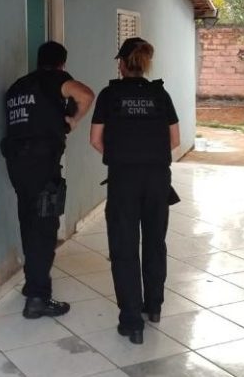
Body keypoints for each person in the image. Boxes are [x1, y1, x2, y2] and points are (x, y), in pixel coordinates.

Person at [90, 37, 180, 344]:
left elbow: (95, 139)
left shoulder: (109, 95)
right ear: (145, 64)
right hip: (157, 179)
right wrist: (149, 156)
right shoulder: (160, 94)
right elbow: (175, 139)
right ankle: (153, 307)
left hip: (123, 180)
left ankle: (131, 322)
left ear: (121, 64)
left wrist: (120, 156)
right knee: (155, 242)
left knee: (124, 247)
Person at [2, 41, 94, 319]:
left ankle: (33, 283)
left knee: (29, 221)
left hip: (17, 165)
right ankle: (38, 298)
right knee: (45, 227)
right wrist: (73, 121)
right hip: (42, 164)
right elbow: (86, 95)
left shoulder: (17, 87)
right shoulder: (54, 79)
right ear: (61, 65)